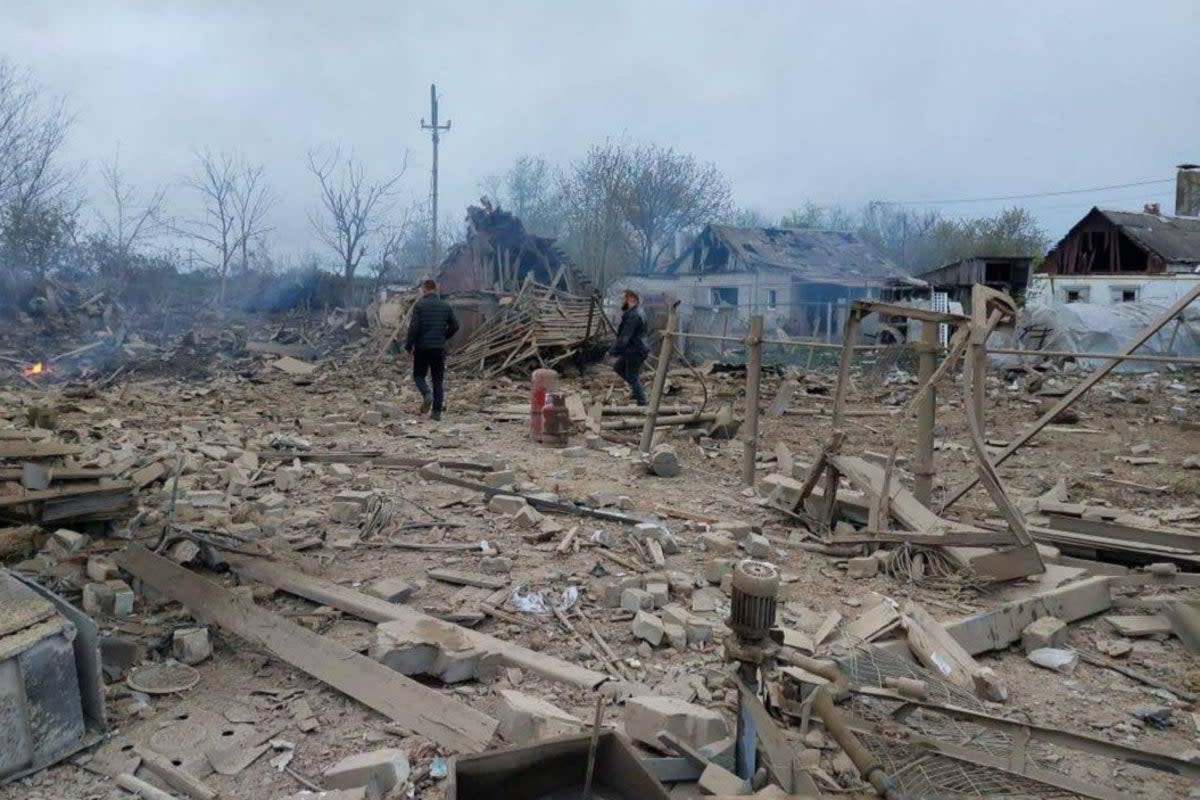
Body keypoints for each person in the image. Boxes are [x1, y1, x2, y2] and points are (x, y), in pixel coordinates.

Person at [405, 279, 459, 421]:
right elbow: (455, 326)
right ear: (435, 289)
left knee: (418, 376)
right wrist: (443, 337)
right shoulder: (445, 306)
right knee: (437, 380)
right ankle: (436, 413)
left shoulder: (419, 306)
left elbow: (414, 328)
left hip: (422, 348)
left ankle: (426, 394)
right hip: (439, 348)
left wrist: (408, 346)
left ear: (424, 289)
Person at [610, 289, 649, 406]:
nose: (621, 301)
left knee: (631, 376)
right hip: (634, 349)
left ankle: (642, 402)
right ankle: (637, 390)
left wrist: (612, 351)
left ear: (632, 299)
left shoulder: (633, 316)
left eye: (623, 298)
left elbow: (624, 337)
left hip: (635, 350)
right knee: (618, 367)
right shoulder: (636, 312)